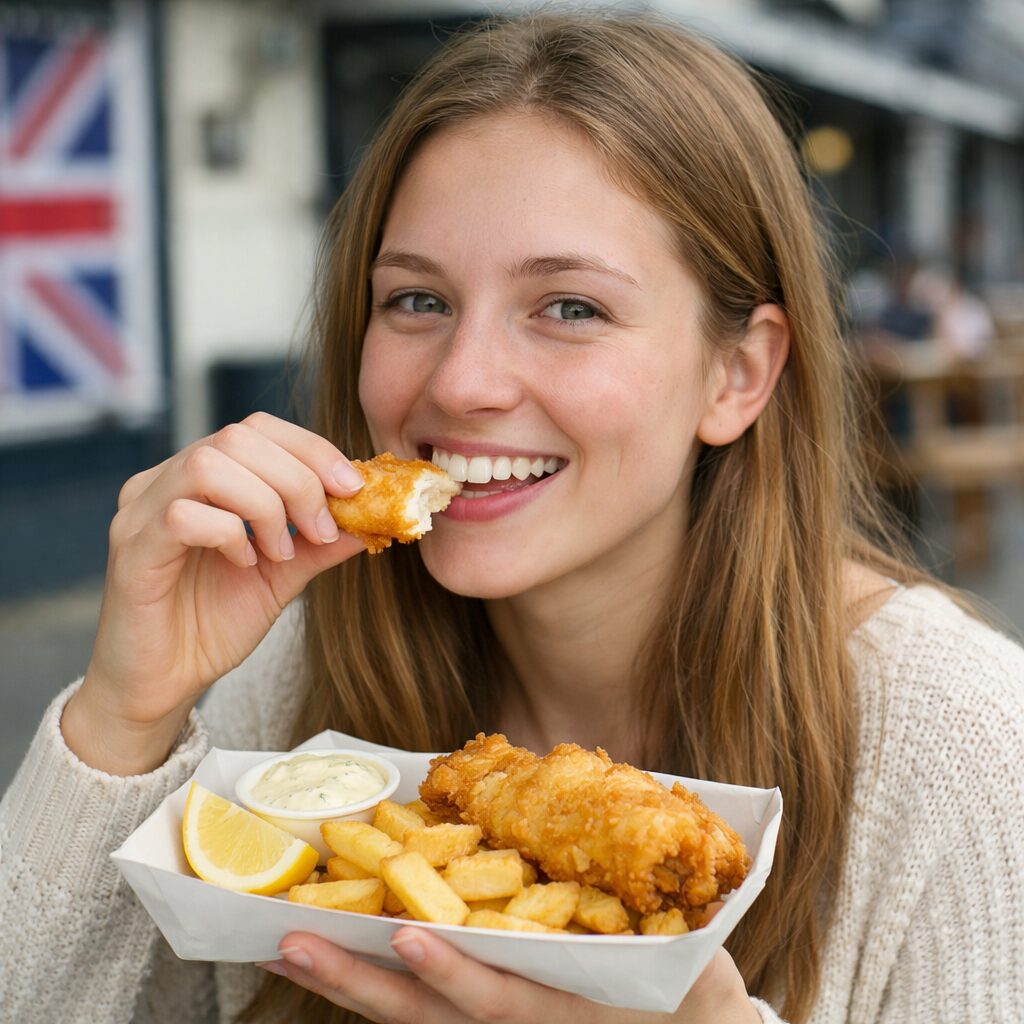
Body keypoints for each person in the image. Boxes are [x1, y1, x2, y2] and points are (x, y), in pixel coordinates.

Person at [3, 13, 1023, 1024]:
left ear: (737, 373)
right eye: (415, 300)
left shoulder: (961, 745)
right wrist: (123, 717)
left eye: (569, 307)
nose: (463, 381)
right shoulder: (285, 688)